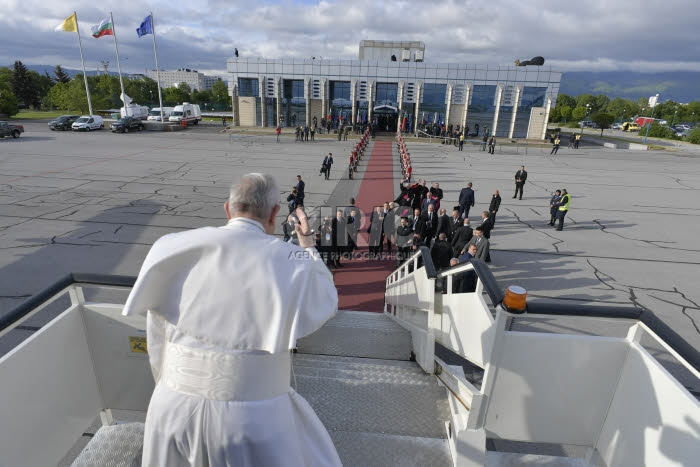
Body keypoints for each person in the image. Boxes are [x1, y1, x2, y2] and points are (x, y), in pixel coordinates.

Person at [122, 174, 342, 466]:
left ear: (228, 209)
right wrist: (307, 244)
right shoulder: (292, 261)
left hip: (171, 409)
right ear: (275, 213)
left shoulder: (171, 245)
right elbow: (326, 298)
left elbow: (157, 339)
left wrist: (171, 387)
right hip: (253, 421)